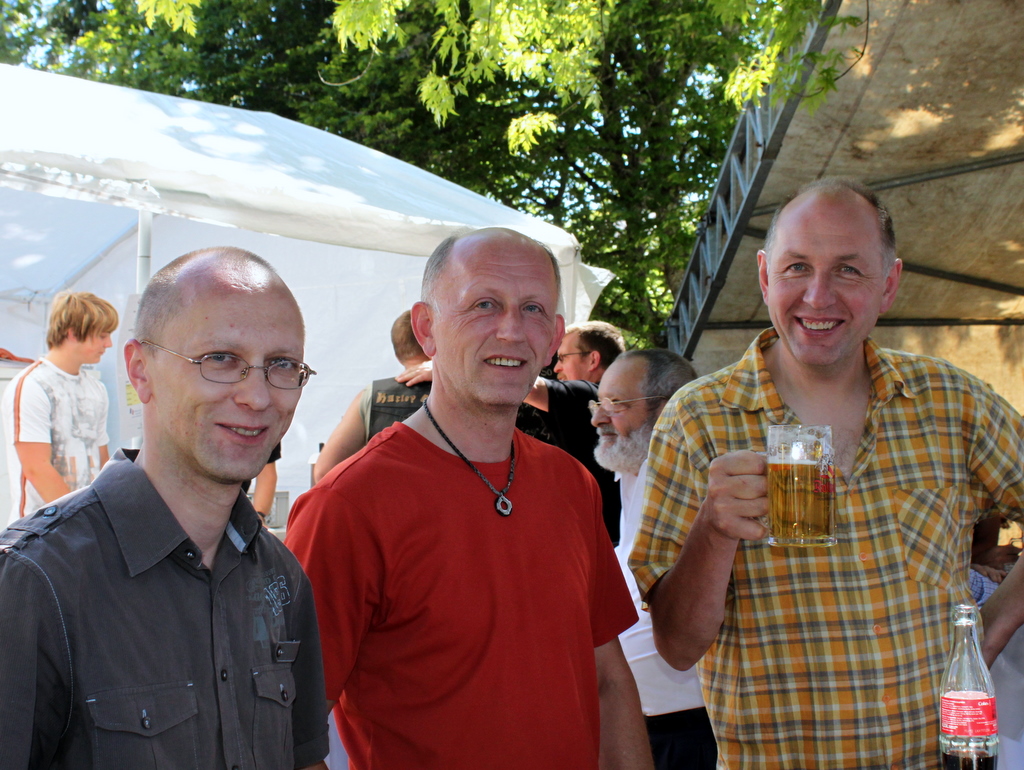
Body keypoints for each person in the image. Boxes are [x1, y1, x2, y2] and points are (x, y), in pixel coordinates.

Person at [630, 178, 1024, 768]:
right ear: (765, 276)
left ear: (888, 283)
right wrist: (713, 530)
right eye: (796, 267)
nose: (818, 296)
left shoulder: (952, 400)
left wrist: (989, 631)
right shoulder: (698, 419)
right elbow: (678, 647)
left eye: (848, 270)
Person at [286, 227, 652, 770]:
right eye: (484, 304)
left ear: (554, 338)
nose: (511, 330)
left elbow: (608, 680)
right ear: (426, 328)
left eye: (532, 309)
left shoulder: (571, 483)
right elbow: (286, 732)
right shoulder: (347, 505)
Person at [0, 247, 330, 769]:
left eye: (282, 365)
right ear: (140, 370)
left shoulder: (281, 578)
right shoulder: (36, 582)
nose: (258, 395)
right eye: (220, 359)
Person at [590, 349, 714, 770]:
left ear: (668, 407)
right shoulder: (630, 474)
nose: (598, 418)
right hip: (642, 727)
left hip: (692, 730)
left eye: (615, 404)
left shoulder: (700, 484)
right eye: (597, 403)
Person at [1, 290, 118, 523]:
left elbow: (102, 458)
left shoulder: (96, 389)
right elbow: (37, 468)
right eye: (102, 335)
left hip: (86, 525)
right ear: (73, 333)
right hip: (41, 531)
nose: (109, 344)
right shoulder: (32, 385)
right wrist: (81, 521)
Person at [525, 320, 626, 542]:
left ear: (593, 360)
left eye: (563, 358)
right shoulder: (626, 403)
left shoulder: (586, 395)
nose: (556, 368)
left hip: (600, 540)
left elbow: (523, 385)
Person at [312, 310, 430, 482]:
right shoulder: (460, 391)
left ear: (397, 355)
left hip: (386, 496)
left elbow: (324, 472)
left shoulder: (370, 394)